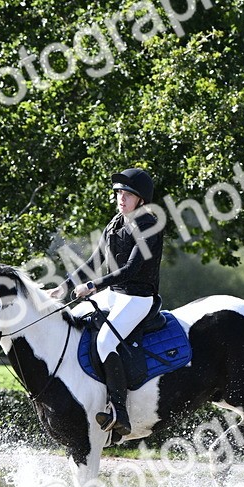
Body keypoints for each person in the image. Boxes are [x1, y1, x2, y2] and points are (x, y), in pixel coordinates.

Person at [49, 167, 163, 436]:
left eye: (127, 194)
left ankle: (119, 412)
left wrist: (93, 285)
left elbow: (133, 269)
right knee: (74, 318)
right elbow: (95, 261)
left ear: (141, 199)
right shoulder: (115, 223)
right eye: (119, 193)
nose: (121, 198)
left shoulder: (149, 226)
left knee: (105, 341)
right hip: (115, 293)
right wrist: (64, 287)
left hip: (138, 298)